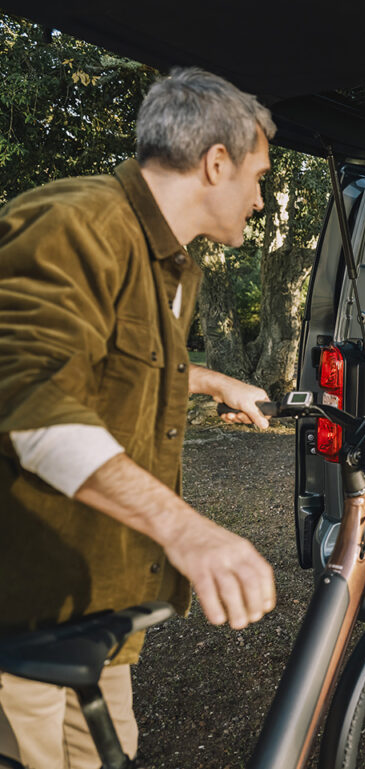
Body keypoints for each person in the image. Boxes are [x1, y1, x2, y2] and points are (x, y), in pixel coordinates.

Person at [0, 67, 279, 769]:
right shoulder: (78, 223)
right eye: (260, 175)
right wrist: (187, 529)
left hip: (92, 616)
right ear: (217, 162)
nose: (262, 197)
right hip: (19, 621)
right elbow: (26, 399)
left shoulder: (169, 262)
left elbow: (105, 365)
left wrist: (211, 380)